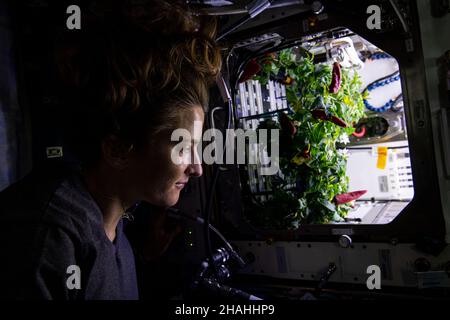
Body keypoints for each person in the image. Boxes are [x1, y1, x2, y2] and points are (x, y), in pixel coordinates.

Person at [0, 0, 221, 300]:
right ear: (117, 150)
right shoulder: (48, 236)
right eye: (183, 147)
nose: (197, 167)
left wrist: (146, 255)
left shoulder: (117, 239)